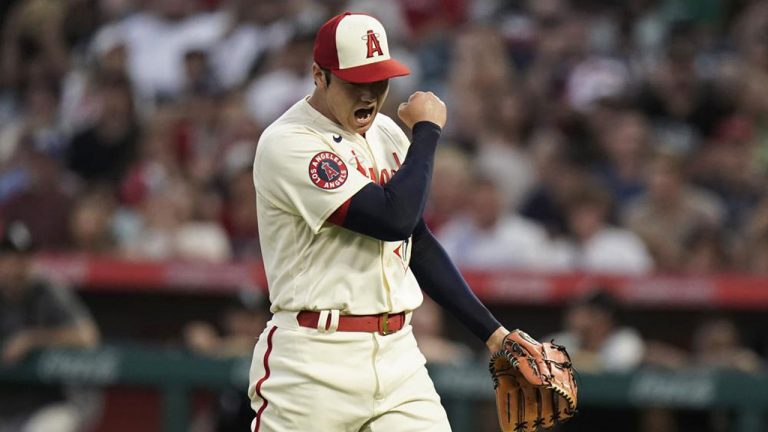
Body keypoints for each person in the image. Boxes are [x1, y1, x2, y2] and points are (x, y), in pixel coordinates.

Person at [248, 12, 529, 431]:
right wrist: (429, 131)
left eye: (377, 80)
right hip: (313, 361)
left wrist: (494, 335)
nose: (368, 94)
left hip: (398, 355)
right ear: (318, 76)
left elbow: (417, 239)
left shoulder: (388, 133)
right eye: (353, 82)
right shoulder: (289, 141)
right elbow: (391, 219)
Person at [0, 221, 100, 432]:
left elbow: (88, 336)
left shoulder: (48, 291)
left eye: (23, 258)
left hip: (48, 403)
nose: (17, 266)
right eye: (9, 258)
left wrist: (32, 339)